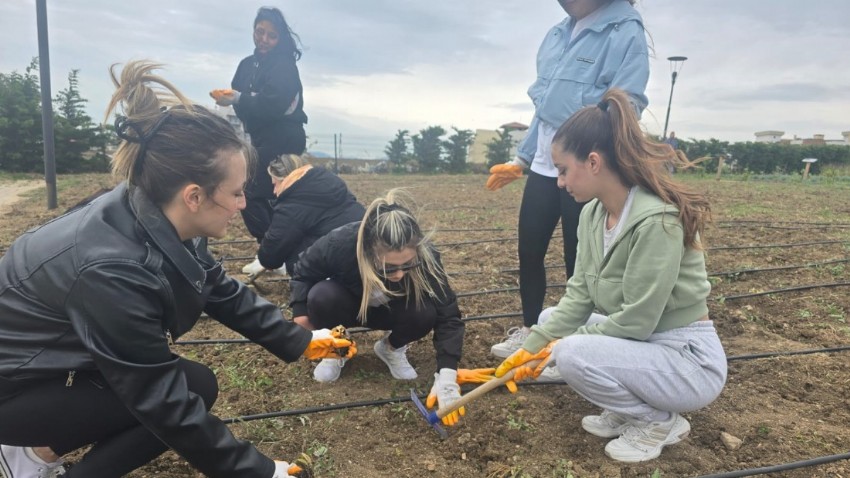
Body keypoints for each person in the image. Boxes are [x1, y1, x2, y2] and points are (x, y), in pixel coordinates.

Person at [0, 61, 354, 478]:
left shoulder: (154, 210)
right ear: (194, 196)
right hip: (15, 388)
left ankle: (28, 456)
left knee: (197, 385)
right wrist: (259, 471)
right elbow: (161, 400)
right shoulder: (111, 269)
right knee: (170, 400)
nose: (244, 205)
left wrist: (301, 340)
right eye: (237, 193)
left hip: (54, 364)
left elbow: (216, 286)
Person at [494, 89, 727, 463]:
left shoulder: (657, 221)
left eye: (563, 169)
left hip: (688, 360)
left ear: (593, 162)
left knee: (571, 351)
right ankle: (628, 407)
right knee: (550, 321)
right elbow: (580, 294)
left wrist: (557, 349)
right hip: (649, 344)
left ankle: (656, 421)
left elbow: (637, 320)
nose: (558, 181)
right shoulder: (592, 215)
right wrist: (532, 345)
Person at [486, 0, 650, 359]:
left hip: (586, 165)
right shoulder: (557, 34)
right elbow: (543, 110)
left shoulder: (624, 31)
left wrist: (596, 155)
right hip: (546, 166)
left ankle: (575, 343)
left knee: (581, 259)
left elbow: (626, 103)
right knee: (529, 250)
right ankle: (531, 330)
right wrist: (522, 158)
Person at [288, 189, 467, 425]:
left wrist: (447, 375)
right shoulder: (341, 243)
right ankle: (337, 348)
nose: (399, 274)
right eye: (389, 267)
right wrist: (300, 314)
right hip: (348, 304)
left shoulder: (427, 257)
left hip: (393, 309)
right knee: (321, 295)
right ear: (370, 250)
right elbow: (304, 271)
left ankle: (391, 349)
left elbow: (448, 315)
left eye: (407, 265)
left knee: (426, 311)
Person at [212, 6, 308, 277]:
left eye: (272, 35)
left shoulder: (285, 66)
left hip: (285, 136)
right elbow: (245, 106)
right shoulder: (246, 65)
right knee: (268, 196)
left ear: (280, 39)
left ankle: (273, 255)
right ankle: (282, 256)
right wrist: (240, 101)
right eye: (260, 32)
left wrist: (242, 99)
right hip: (260, 136)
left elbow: (274, 104)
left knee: (252, 190)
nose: (264, 39)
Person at [253, 154, 366, 277]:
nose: (274, 191)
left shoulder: (293, 201)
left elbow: (271, 254)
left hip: (340, 263)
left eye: (275, 184)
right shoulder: (330, 183)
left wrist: (265, 258)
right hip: (368, 249)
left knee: (295, 259)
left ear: (285, 178)